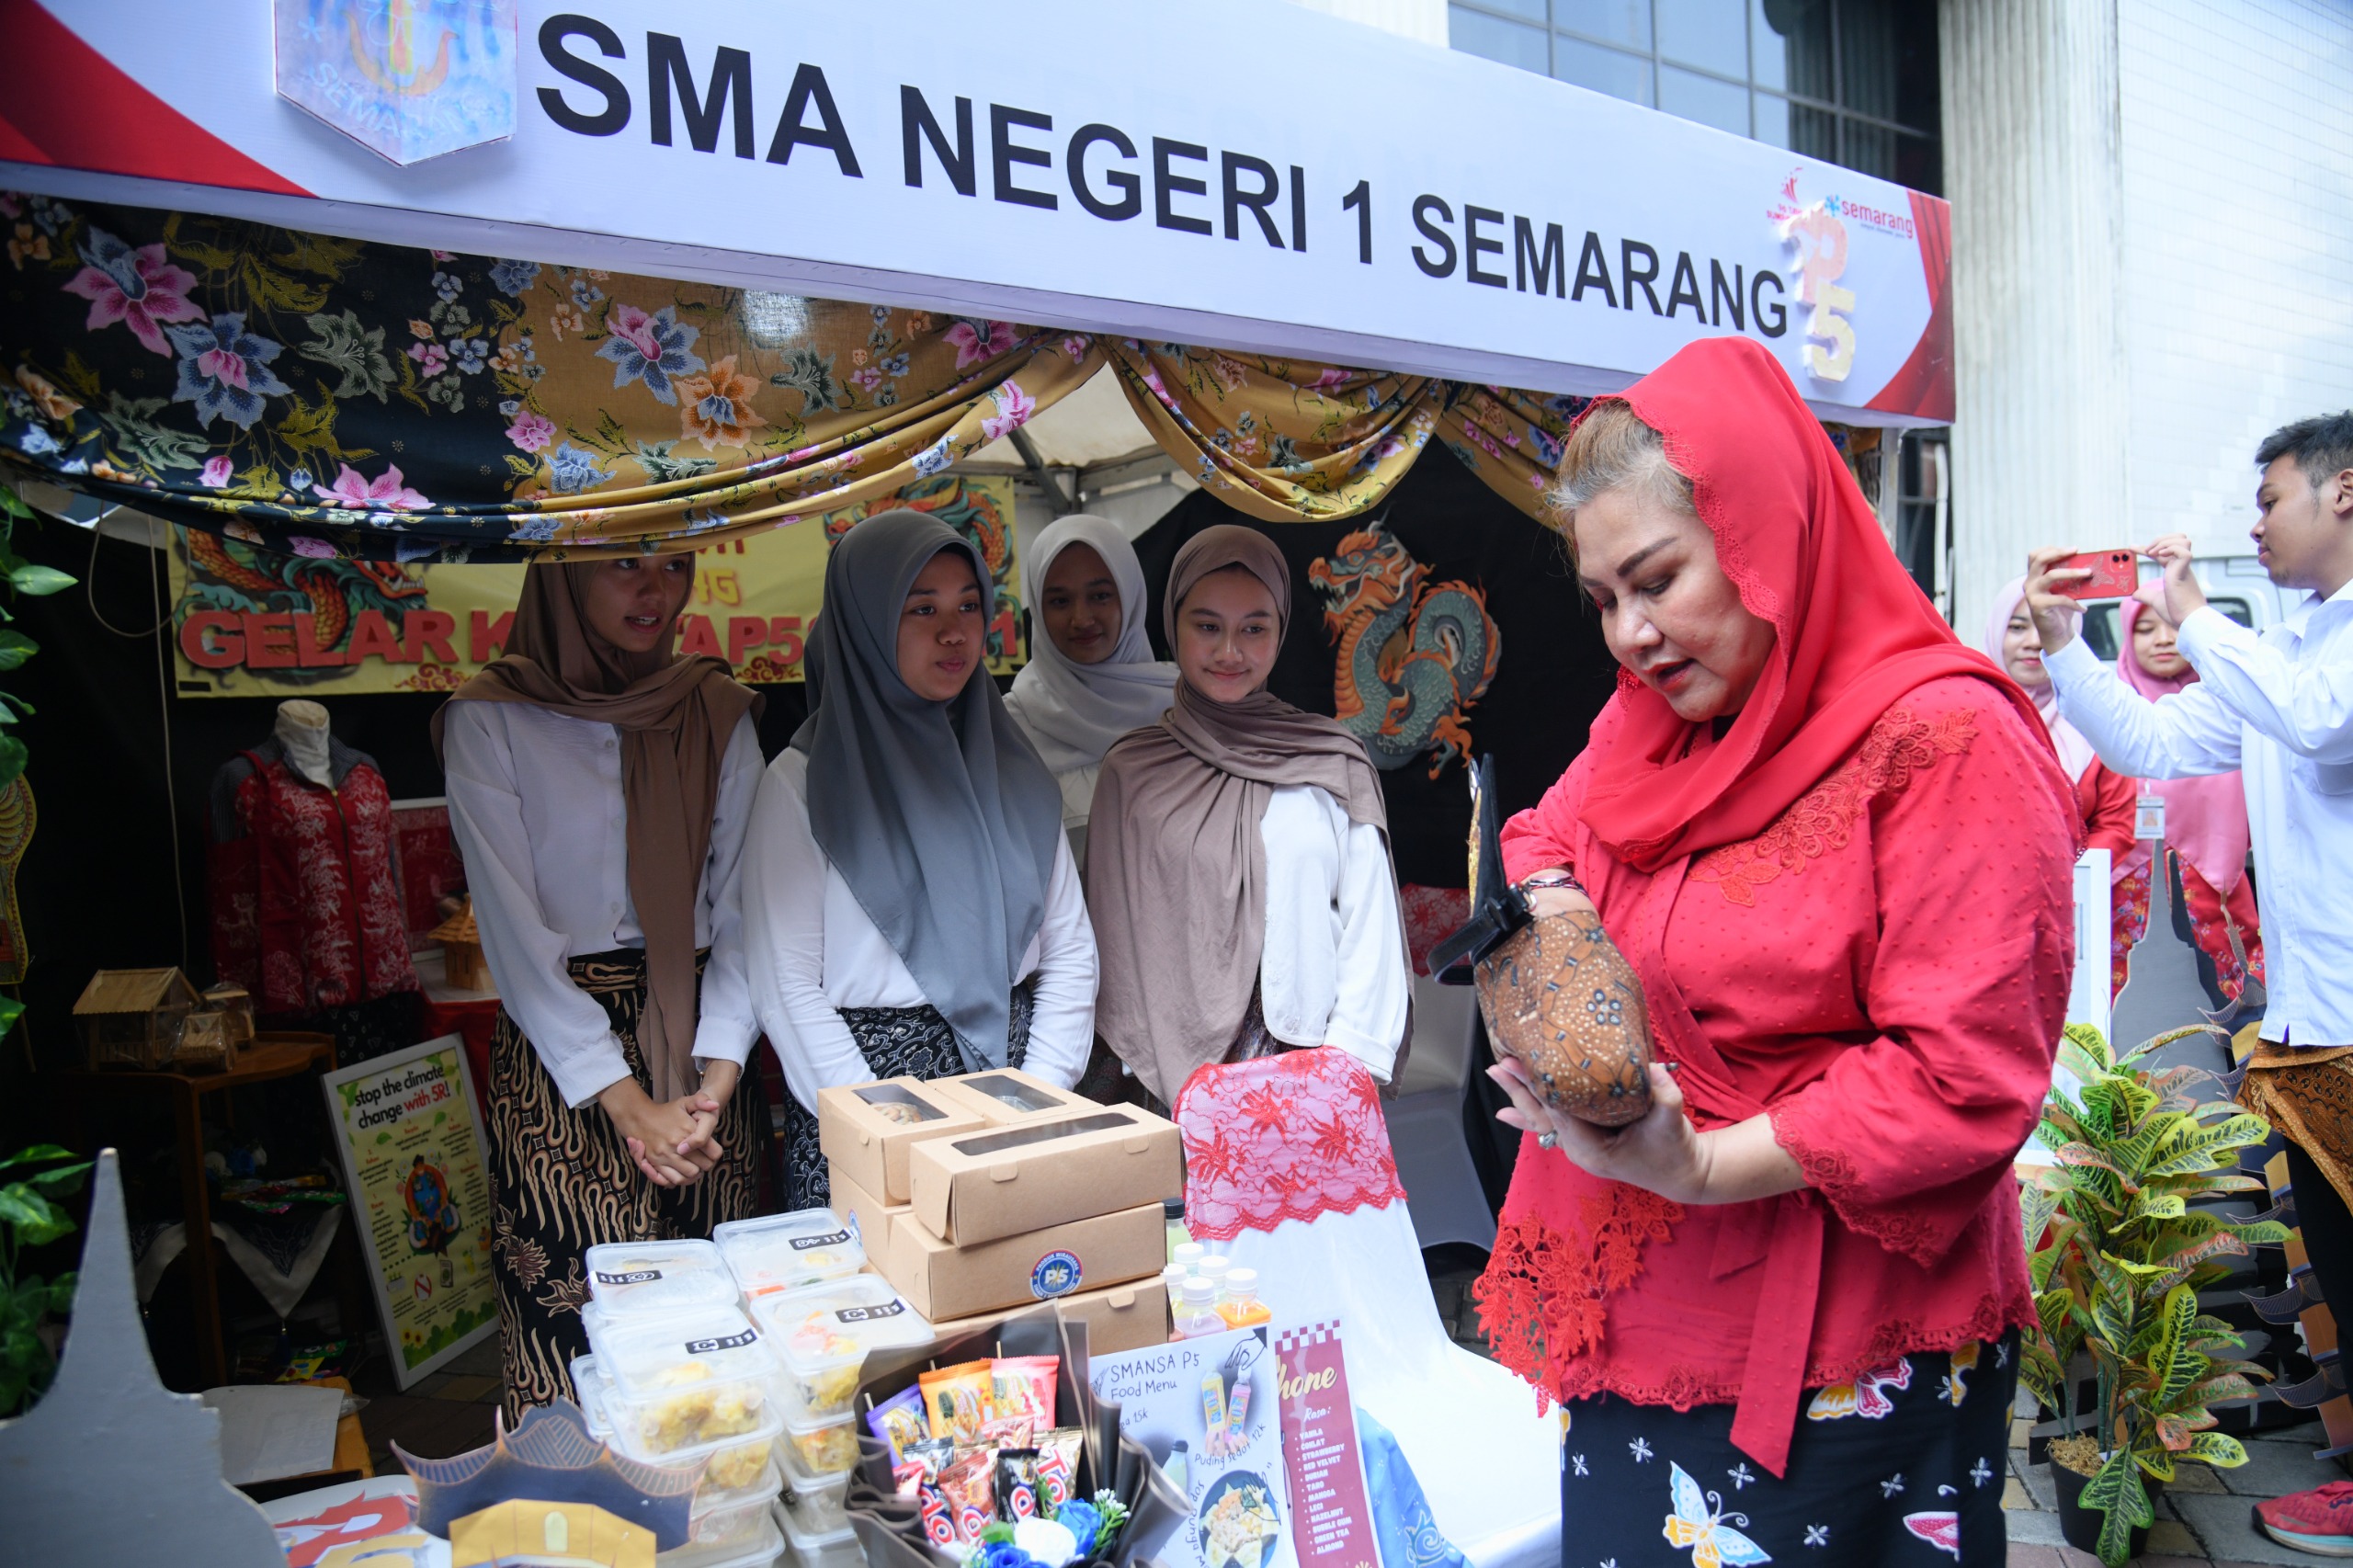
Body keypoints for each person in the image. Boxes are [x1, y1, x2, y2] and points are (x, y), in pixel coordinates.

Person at [1480, 337, 2077, 1567]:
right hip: (1642, 1312)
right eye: (1602, 600)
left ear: (1764, 528)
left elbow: (1960, 1076)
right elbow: (1547, 826)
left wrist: (1696, 1160)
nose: (1632, 634)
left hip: (1845, 1352)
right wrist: (1562, 934)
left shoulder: (1944, 740)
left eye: (1657, 577)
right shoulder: (1657, 721)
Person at [2023, 412, 2353, 1556]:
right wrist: (2072, 638)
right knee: (2343, 1270)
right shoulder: (2299, 643)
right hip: (2308, 1025)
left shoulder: (2321, 659)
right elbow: (2152, 745)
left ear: (2342, 492)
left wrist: (2197, 613)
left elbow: (2318, 725)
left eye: (2269, 501)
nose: (2252, 524)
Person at [437, 556, 766, 1419]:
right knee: (576, 1318)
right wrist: (628, 1105)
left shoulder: (717, 711)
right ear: (561, 575)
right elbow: (511, 935)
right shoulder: (492, 719)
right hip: (563, 1064)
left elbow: (745, 914)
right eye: (624, 567)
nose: (654, 592)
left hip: (704, 1046)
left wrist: (711, 1088)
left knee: (714, 1329)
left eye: (673, 566)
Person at [742, 510, 1096, 1209]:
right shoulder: (801, 783)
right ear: (865, 625)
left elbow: (1071, 951)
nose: (954, 631)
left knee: (1020, 1311)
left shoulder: (1016, 774)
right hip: (866, 1101)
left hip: (1019, 1096)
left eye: (969, 605)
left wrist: (1039, 1100)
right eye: (920, 609)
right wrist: (890, 1131)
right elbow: (786, 984)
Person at [1086, 524, 1412, 1108]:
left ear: (1281, 631)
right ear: (1172, 625)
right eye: (1207, 626)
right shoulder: (1132, 773)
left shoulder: (1332, 760)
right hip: (1170, 1076)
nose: (1230, 651)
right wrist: (1157, 1070)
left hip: (1312, 1067)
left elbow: (1372, 928)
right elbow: (1115, 945)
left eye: (1253, 629)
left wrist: (1345, 1073)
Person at [1984, 579, 2143, 995]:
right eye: (2017, 627)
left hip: (2073, 909)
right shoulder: (1970, 714)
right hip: (1982, 907)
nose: (2033, 642)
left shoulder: (2093, 722)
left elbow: (2117, 822)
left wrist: (2062, 878)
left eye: (2046, 627)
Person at [1001, 514, 1179, 863]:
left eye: (1100, 595)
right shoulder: (1013, 726)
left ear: (1130, 595)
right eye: (1060, 601)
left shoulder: (1182, 708)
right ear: (1037, 607)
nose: (1081, 618)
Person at [2115, 584, 2265, 997]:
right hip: (2128, 877)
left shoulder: (2231, 704)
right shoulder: (2113, 712)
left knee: (2229, 1000)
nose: (2163, 639)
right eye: (2145, 629)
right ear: (2127, 637)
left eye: (2172, 626)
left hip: (2217, 879)